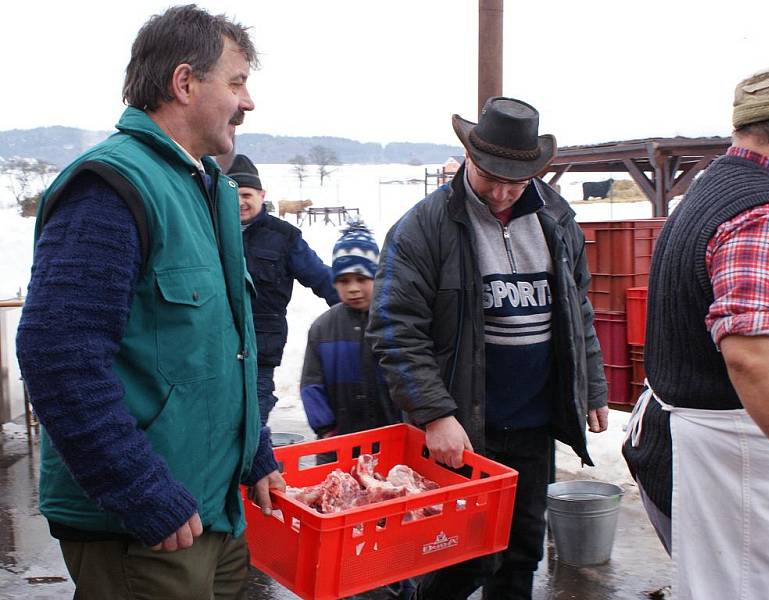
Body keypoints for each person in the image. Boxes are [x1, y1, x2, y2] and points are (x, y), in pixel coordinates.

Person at [15, 6, 285, 599]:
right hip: (145, 531)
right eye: (236, 82)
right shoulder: (112, 187)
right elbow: (58, 355)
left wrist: (253, 451)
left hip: (213, 508)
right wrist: (138, 488)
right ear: (184, 83)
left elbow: (217, 348)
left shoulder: (208, 188)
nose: (249, 102)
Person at [366, 96, 609, 600]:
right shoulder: (423, 227)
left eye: (514, 182)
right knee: (458, 558)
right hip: (464, 429)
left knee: (520, 555)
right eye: (488, 176)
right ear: (469, 158)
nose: (499, 193)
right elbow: (394, 327)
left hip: (532, 424)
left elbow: (577, 308)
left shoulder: (556, 220)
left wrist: (592, 385)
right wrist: (435, 414)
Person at [622, 55, 769, 599]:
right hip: (737, 464)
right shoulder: (767, 212)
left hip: (700, 448)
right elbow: (755, 355)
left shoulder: (710, 187)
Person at [300, 221, 413, 600]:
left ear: (378, 277)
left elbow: (410, 375)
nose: (352, 288)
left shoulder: (394, 322)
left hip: (390, 443)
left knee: (394, 517)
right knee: (344, 519)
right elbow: (311, 383)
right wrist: (326, 428)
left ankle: (401, 578)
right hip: (340, 445)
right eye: (342, 279)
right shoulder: (323, 328)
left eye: (362, 279)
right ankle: (347, 579)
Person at [228, 154, 339, 424]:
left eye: (247, 194)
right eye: (233, 194)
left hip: (262, 345)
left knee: (253, 417)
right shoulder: (209, 231)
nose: (241, 202)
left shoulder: (284, 236)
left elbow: (320, 277)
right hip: (217, 344)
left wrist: (353, 305)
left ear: (261, 194)